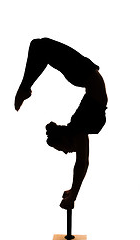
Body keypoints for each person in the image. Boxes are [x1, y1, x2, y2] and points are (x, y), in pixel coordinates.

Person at [14, 38, 108, 210]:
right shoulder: (80, 126)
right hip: (83, 76)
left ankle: (24, 88)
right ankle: (24, 88)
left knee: (40, 46)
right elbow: (82, 162)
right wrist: (73, 190)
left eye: (62, 148)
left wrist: (73, 196)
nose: (66, 152)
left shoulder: (79, 127)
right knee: (41, 46)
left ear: (66, 137)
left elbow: (82, 163)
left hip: (83, 74)